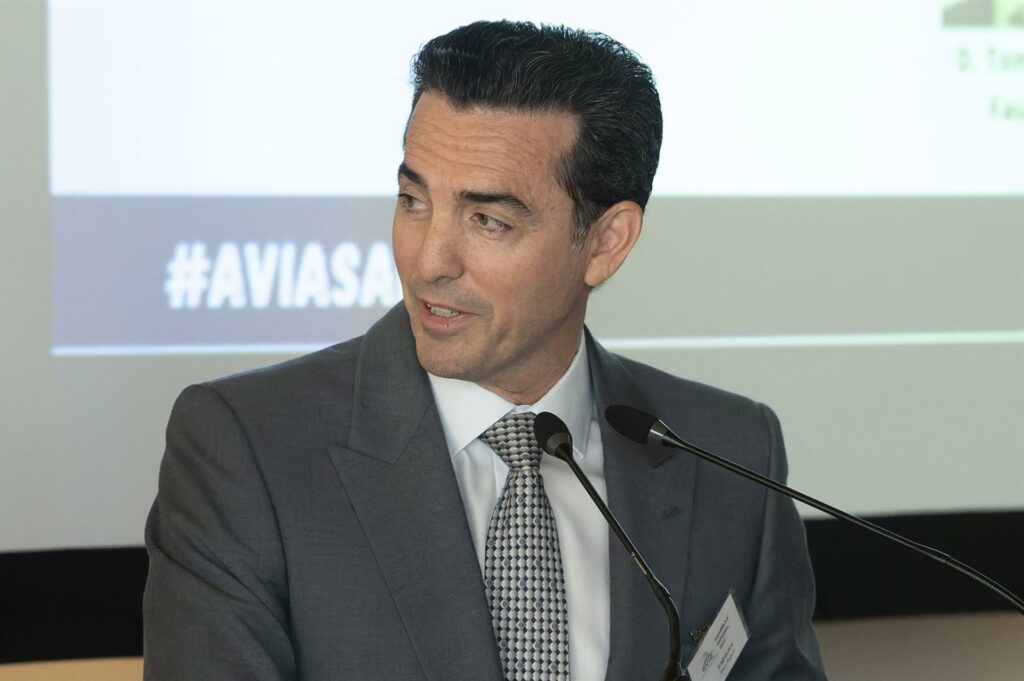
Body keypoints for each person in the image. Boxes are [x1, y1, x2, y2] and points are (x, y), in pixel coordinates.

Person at [143, 20, 827, 681]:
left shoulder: (732, 453)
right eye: (413, 201)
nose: (428, 261)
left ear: (606, 241)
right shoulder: (246, 449)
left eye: (488, 220)